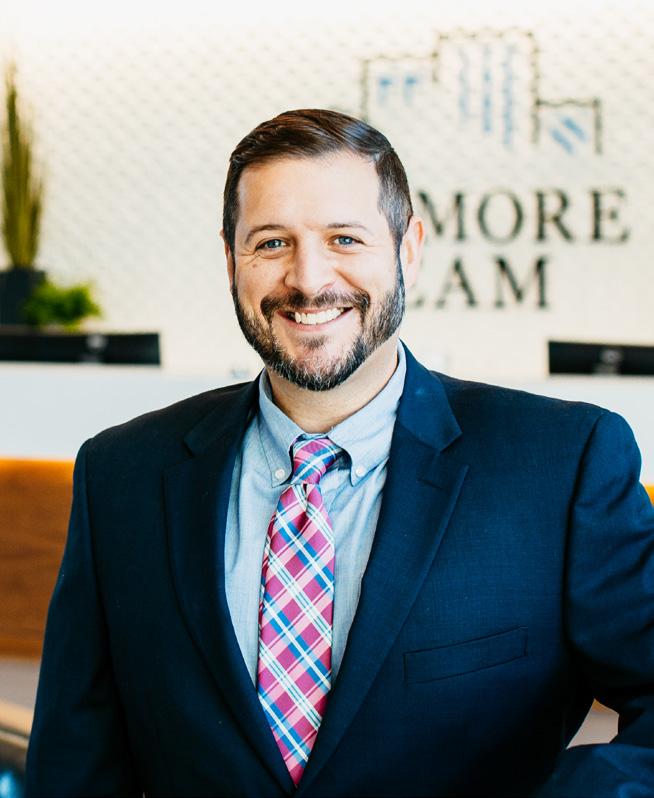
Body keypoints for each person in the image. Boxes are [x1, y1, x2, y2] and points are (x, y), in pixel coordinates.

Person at [26, 109, 654, 797]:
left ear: (408, 249)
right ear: (230, 258)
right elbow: (74, 765)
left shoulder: (562, 464)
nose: (308, 278)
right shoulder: (122, 475)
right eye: (271, 242)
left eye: (344, 238)